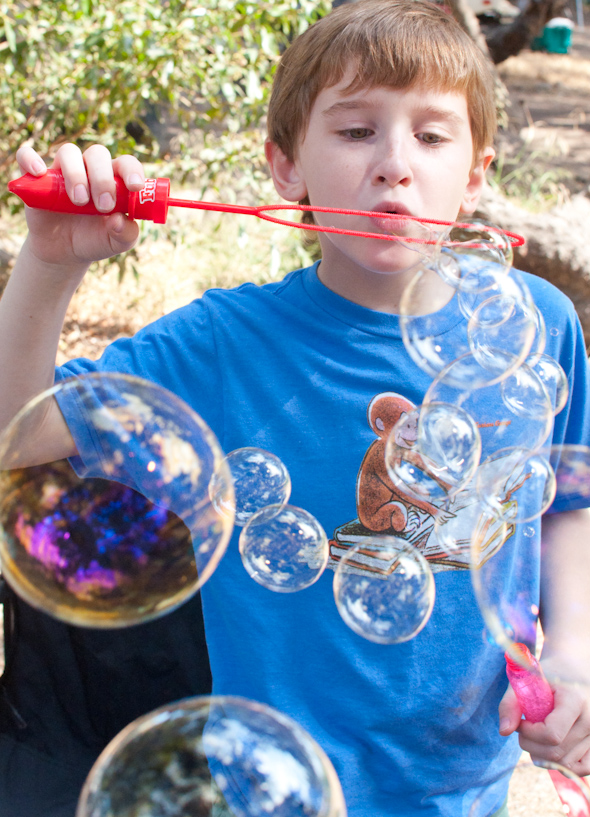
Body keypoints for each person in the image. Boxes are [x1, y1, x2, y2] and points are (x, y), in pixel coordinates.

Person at [1, 1, 590, 815]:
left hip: (466, 786)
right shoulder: (221, 342)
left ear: (478, 172)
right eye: (356, 132)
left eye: (431, 134)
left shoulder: (536, 326)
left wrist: (574, 659)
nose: (394, 164)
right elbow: (15, 433)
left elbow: (564, 507)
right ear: (286, 169)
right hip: (267, 789)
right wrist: (49, 262)